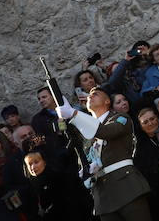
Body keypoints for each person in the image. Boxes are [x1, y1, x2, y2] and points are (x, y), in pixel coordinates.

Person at [55, 86, 152, 221]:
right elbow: (84, 157)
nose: (90, 96)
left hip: (127, 188)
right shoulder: (86, 132)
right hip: (103, 196)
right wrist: (85, 170)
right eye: (89, 95)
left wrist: (74, 114)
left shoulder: (120, 118)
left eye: (95, 94)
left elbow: (106, 132)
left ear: (107, 101)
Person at [23, 145, 93, 221]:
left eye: (36, 162)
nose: (33, 167)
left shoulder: (58, 177)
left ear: (44, 162)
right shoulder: (31, 187)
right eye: (30, 164)